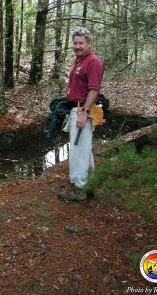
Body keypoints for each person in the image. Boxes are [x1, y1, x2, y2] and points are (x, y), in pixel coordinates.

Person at [58, 27, 104, 202]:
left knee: (78, 151)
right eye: (75, 43)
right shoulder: (80, 60)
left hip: (82, 110)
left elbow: (94, 89)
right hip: (75, 108)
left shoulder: (93, 62)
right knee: (84, 149)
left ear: (89, 44)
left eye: (81, 43)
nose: (77, 46)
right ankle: (90, 183)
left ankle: (79, 190)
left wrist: (83, 113)